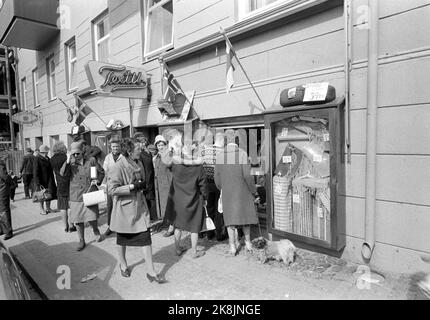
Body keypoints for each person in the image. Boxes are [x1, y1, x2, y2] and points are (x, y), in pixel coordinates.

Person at [108, 139, 165, 282]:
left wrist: (141, 185)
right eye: (138, 148)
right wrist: (132, 187)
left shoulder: (138, 162)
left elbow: (141, 181)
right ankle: (123, 264)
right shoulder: (117, 166)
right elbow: (111, 189)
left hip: (140, 207)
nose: (141, 150)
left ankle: (151, 272)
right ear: (129, 151)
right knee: (122, 240)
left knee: (146, 238)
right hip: (125, 210)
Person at [215, 130, 258, 256]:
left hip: (228, 192)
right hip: (243, 191)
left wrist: (222, 187)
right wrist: (253, 190)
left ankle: (232, 246)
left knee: (230, 221)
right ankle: (248, 243)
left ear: (226, 141)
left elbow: (217, 177)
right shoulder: (243, 154)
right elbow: (247, 175)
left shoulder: (220, 155)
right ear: (237, 140)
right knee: (245, 218)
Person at [165, 143, 208, 259]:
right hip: (194, 198)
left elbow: (167, 164)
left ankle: (177, 249)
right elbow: (203, 185)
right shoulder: (199, 167)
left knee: (177, 225)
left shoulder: (176, 165)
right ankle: (194, 252)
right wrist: (205, 198)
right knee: (194, 226)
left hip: (178, 199)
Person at [61, 141, 105, 251]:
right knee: (78, 219)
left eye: (78, 153)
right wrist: (67, 161)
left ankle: (95, 230)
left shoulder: (91, 161)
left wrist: (97, 180)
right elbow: (63, 174)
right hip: (76, 196)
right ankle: (81, 240)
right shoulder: (70, 164)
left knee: (92, 216)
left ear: (82, 152)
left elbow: (100, 172)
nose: (76, 156)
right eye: (73, 154)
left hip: (90, 192)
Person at [201, 132, 227, 241]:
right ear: (222, 141)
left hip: (207, 183)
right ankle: (219, 234)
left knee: (209, 208)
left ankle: (209, 233)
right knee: (219, 209)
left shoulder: (204, 152)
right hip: (219, 184)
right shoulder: (224, 152)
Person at [51, 141, 75, 233]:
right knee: (69, 206)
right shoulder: (66, 157)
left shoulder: (52, 159)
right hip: (69, 183)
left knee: (62, 207)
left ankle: (65, 226)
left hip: (60, 184)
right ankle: (71, 225)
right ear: (62, 148)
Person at [153, 135, 174, 237]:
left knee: (169, 206)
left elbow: (170, 165)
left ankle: (172, 226)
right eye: (158, 145)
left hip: (167, 184)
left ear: (166, 145)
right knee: (163, 206)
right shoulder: (157, 156)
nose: (160, 147)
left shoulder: (168, 154)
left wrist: (165, 154)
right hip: (159, 185)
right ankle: (166, 223)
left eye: (162, 145)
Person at [133, 133, 157, 222]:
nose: (144, 144)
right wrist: (142, 181)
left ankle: (153, 219)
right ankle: (148, 220)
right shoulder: (140, 155)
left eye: (144, 142)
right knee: (147, 201)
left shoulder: (147, 152)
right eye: (142, 142)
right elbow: (140, 169)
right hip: (145, 180)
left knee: (151, 199)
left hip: (151, 179)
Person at [102, 136, 123, 236]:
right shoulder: (108, 157)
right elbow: (105, 172)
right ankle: (110, 226)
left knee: (121, 206)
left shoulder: (123, 156)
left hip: (121, 186)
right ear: (111, 147)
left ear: (120, 147)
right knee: (110, 206)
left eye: (117, 146)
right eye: (113, 147)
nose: (115, 148)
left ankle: (122, 227)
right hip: (110, 186)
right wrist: (104, 185)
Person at [33, 145, 57, 215]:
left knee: (49, 194)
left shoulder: (47, 158)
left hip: (49, 179)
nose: (47, 153)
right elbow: (35, 171)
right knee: (41, 195)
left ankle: (48, 208)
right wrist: (37, 182)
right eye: (46, 152)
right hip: (41, 180)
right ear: (42, 152)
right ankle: (41, 209)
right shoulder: (37, 159)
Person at [0, 159, 13, 240]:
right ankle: (2, 229)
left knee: (4, 210)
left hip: (2, 190)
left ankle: (8, 231)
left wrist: (12, 183)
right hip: (2, 188)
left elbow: (5, 176)